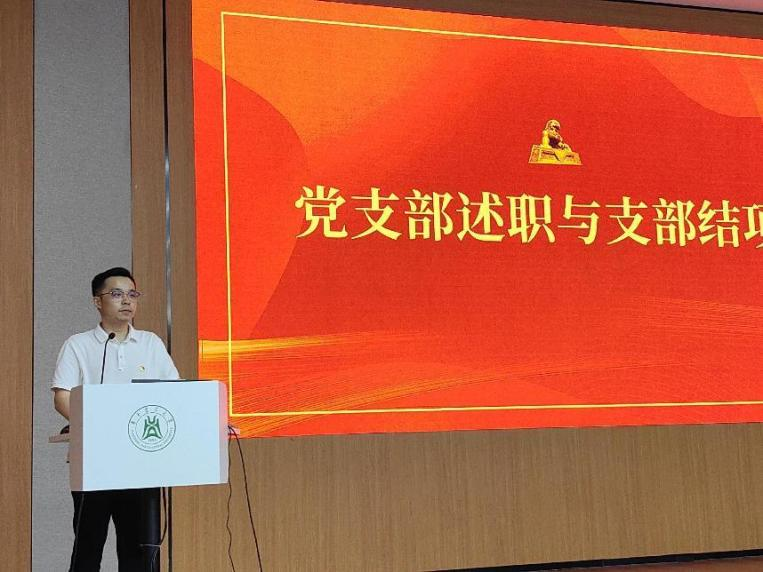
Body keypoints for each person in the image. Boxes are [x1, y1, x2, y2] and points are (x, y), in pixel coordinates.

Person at [51, 267, 179, 572]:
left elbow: (174, 394)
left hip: (140, 461)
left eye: (132, 294)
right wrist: (96, 427)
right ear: (97, 301)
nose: (127, 300)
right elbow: (62, 397)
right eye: (117, 294)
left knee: (137, 549)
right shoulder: (78, 344)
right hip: (93, 461)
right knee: (88, 546)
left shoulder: (150, 343)